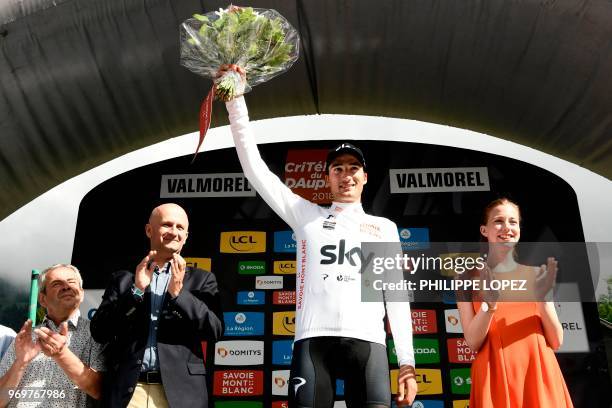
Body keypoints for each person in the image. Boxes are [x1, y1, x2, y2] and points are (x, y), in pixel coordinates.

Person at [223, 66, 417, 408]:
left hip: (368, 346)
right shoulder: (306, 215)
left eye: (353, 168)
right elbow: (255, 170)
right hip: (314, 344)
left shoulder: (383, 228)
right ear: (327, 177)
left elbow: (397, 300)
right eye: (337, 168)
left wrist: (407, 364)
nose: (346, 175)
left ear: (366, 177)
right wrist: (236, 101)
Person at [90, 203, 223, 408]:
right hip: (129, 392)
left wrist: (179, 295)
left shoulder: (202, 280)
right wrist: (136, 291)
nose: (174, 232)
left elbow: (215, 330)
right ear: (149, 230)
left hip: (182, 394)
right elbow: (100, 331)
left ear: (186, 236)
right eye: (167, 225)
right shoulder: (124, 279)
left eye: (180, 228)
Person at [457, 197, 573, 408]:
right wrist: (489, 306)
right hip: (494, 375)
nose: (507, 227)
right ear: (484, 230)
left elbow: (556, 341)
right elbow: (472, 342)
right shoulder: (466, 278)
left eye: (513, 221)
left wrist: (542, 302)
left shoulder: (538, 274)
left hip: (539, 373)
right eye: (498, 221)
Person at [0, 264, 104, 408]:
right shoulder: (26, 337)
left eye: (71, 282)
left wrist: (61, 354)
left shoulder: (97, 334)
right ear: (42, 299)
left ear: (81, 293)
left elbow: (100, 390)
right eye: (57, 284)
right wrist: (20, 363)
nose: (66, 287)